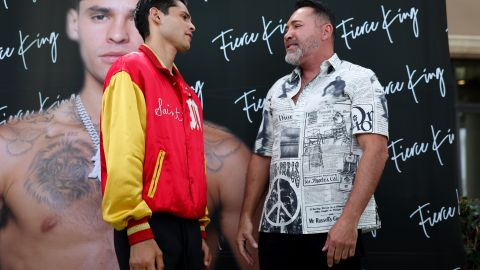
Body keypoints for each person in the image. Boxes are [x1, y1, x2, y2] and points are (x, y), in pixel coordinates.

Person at [236, 0, 389, 269]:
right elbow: (263, 155)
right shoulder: (277, 90)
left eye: (296, 26)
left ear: (325, 30)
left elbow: (375, 150)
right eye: (285, 29)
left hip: (333, 233)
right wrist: (247, 217)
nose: (287, 34)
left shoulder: (360, 79)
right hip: (276, 230)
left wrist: (348, 222)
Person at [0, 0, 143, 269]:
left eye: (136, 19)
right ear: (74, 24)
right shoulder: (8, 147)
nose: (118, 34)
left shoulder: (212, 155)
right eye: (100, 16)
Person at [100, 0, 211, 269]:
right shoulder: (130, 71)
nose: (192, 25)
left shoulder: (189, 94)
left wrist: (199, 230)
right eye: (184, 16)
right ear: (156, 16)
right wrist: (137, 230)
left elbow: (196, 166)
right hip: (149, 228)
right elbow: (123, 157)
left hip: (189, 231)